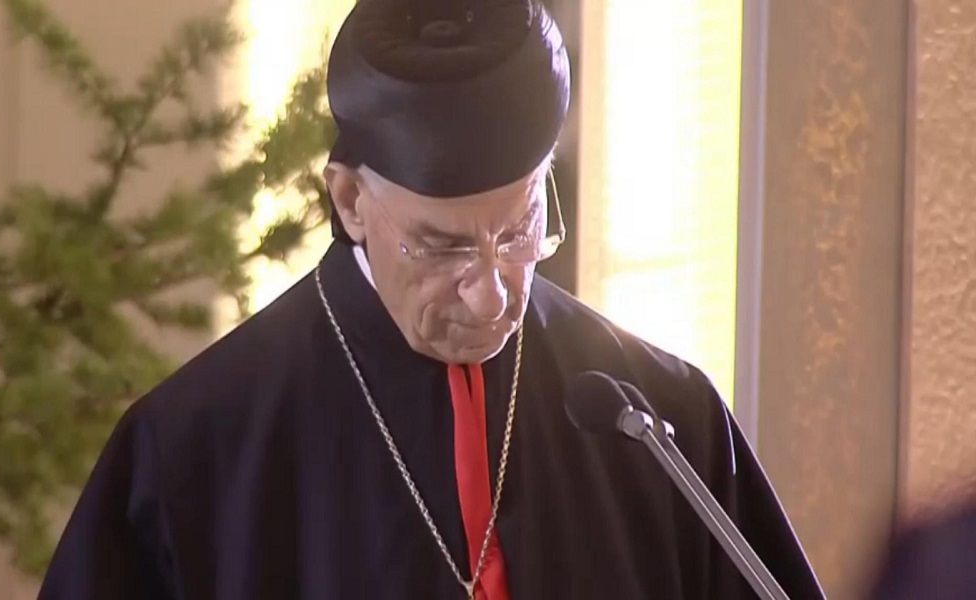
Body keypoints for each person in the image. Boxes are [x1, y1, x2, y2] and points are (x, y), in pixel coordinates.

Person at [40, 0, 824, 598]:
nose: (490, 295)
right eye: (444, 246)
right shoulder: (196, 452)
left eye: (519, 231)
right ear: (350, 201)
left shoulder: (661, 420)